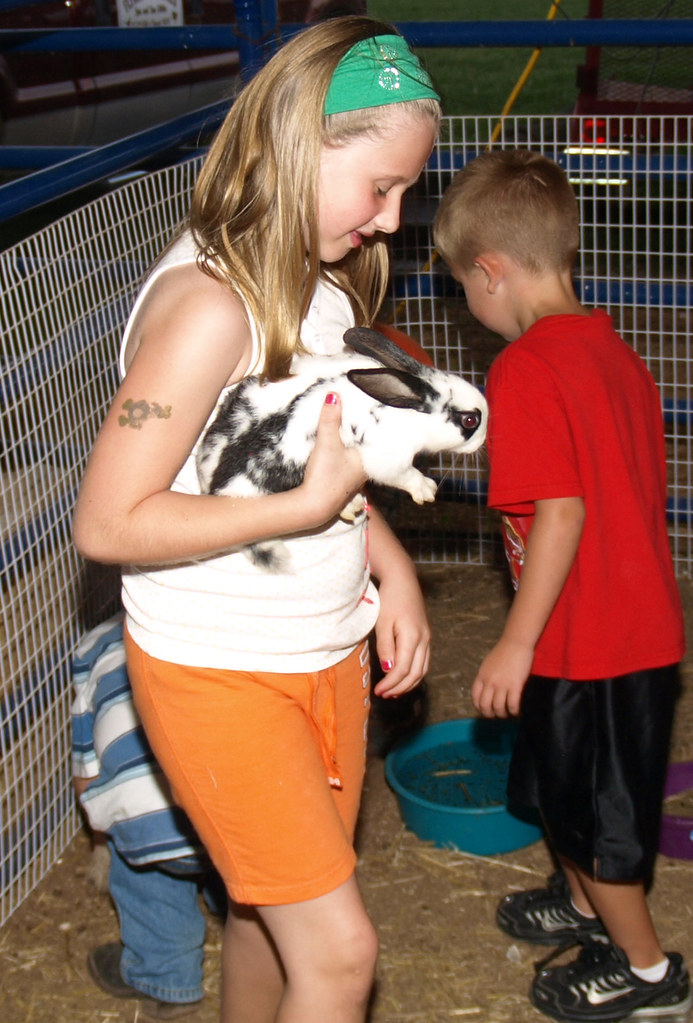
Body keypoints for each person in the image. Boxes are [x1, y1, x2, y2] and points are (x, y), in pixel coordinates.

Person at [73, 17, 440, 1023]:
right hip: (218, 670)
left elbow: (311, 463)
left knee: (266, 914)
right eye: (380, 187)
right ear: (300, 145)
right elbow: (109, 522)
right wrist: (305, 508)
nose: (391, 221)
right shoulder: (211, 310)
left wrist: (389, 564)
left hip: (320, 649)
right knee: (341, 954)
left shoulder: (318, 289)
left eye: (405, 192)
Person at [433, 150, 691, 1023]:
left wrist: (514, 639)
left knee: (596, 822)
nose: (465, 304)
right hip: (611, 629)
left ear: (490, 271)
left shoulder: (525, 369)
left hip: (595, 645)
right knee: (561, 788)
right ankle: (583, 907)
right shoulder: (611, 349)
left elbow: (562, 512)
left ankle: (648, 971)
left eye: (460, 286)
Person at [72, 612, 226, 1020]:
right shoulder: (202, 622)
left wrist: (101, 836)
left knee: (143, 862)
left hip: (149, 819)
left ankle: (167, 979)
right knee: (224, 852)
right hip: (222, 803)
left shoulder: (90, 648)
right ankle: (242, 923)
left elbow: (86, 771)